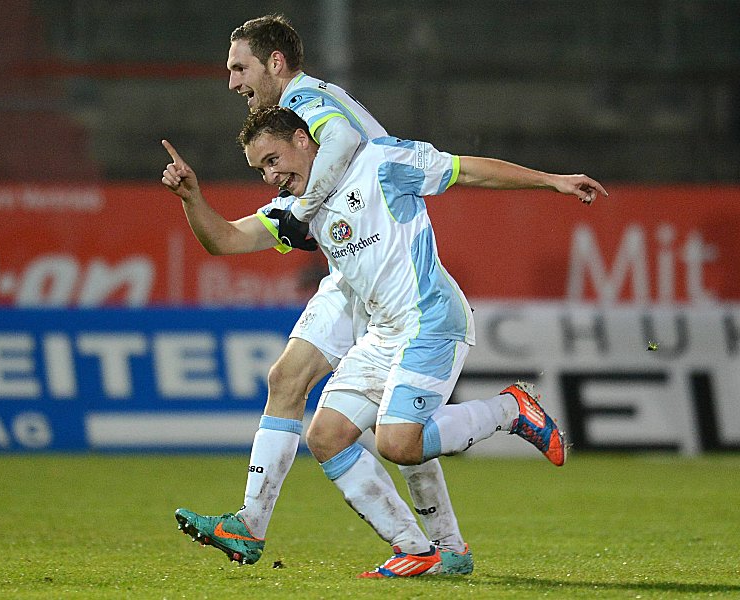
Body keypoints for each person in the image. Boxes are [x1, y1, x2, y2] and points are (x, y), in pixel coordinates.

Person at [163, 106, 607, 577]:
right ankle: (416, 548)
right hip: (382, 333)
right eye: (261, 170)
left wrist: (551, 179)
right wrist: (192, 197)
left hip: (430, 321)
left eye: (274, 159)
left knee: (398, 444)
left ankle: (511, 409)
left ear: (302, 138)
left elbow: (466, 170)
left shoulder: (380, 162)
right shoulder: (300, 208)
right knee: (326, 437)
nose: (272, 175)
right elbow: (227, 240)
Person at [171, 14, 472, 574]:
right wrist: (195, 199)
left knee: (395, 422)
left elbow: (343, 138)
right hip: (350, 257)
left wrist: (305, 209)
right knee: (289, 380)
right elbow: (230, 238)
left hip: (376, 253)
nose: (234, 82)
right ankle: (252, 525)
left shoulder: (306, 101)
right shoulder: (297, 119)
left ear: (276, 64)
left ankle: (444, 544)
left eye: (241, 68)